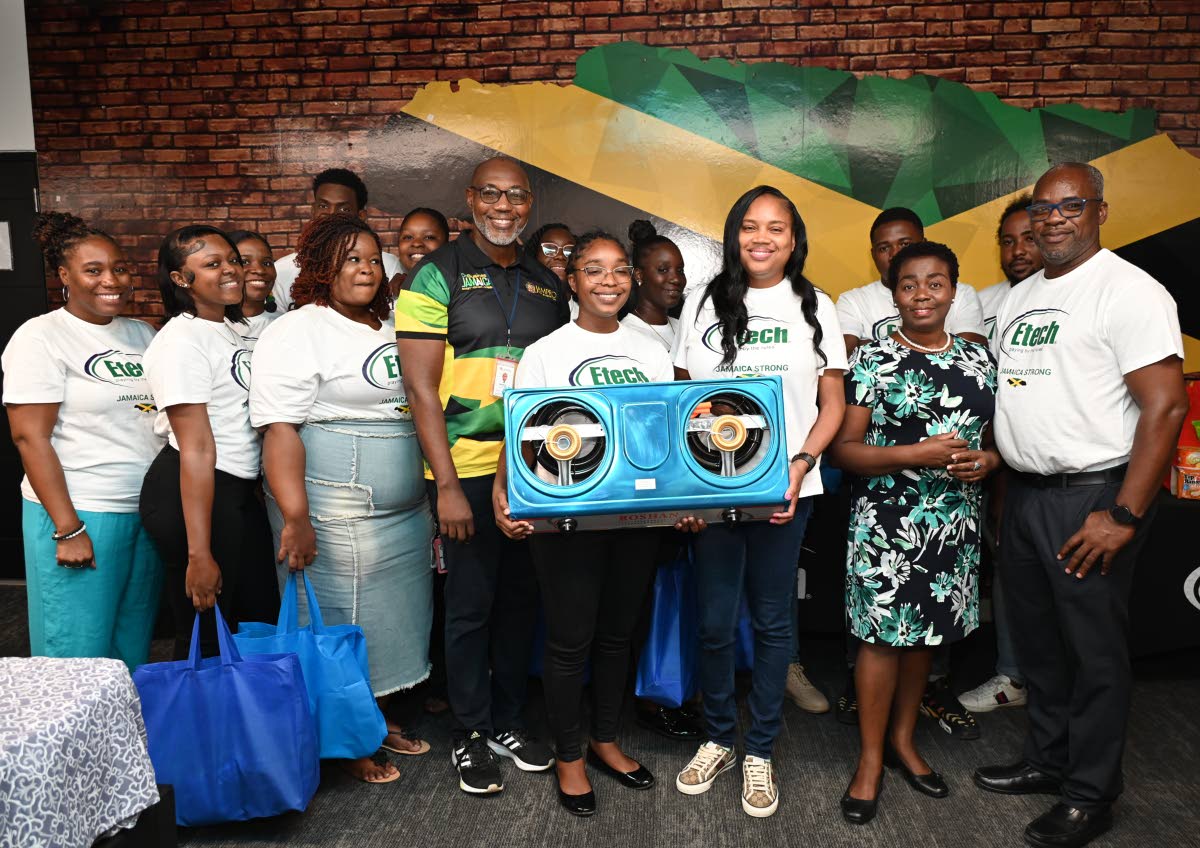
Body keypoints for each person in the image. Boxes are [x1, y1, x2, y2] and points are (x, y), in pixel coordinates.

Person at [975, 163, 1187, 848]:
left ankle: (1091, 794)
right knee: (1039, 649)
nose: (1055, 218)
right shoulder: (1021, 296)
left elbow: (1166, 405)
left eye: (1071, 206)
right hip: (1030, 494)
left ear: (1101, 211)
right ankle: (1049, 761)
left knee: (1093, 655)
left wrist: (1123, 514)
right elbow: (1028, 397)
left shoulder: (1128, 291)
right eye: (1044, 208)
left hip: (1094, 496)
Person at [493, 231, 704, 816]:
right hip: (567, 520)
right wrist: (502, 492)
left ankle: (605, 740)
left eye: (617, 271)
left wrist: (686, 498)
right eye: (593, 270)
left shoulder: (650, 351)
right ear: (573, 280)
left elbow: (668, 435)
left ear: (630, 279)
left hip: (635, 519)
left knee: (618, 635)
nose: (607, 281)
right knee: (569, 641)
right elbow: (522, 436)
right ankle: (568, 756)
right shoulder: (546, 352)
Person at [672, 185, 847, 818]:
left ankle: (760, 750)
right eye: (751, 226)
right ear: (734, 234)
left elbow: (832, 406)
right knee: (715, 622)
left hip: (787, 489)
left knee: (774, 622)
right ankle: (719, 737)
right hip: (716, 491)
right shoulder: (702, 304)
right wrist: (690, 488)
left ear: (794, 238)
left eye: (776, 227)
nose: (763, 238)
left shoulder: (816, 306)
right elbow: (685, 404)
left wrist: (799, 467)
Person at [395, 156, 568, 795]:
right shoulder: (434, 276)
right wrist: (444, 486)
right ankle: (470, 730)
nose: (504, 206)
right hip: (462, 473)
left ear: (530, 202)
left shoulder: (548, 282)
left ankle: (508, 719)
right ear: (471, 200)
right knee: (470, 605)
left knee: (522, 600)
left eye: (516, 195)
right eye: (491, 194)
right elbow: (418, 387)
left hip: (534, 473)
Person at [251, 212, 432, 784]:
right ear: (322, 267)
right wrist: (296, 518)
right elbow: (278, 428)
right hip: (333, 505)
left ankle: (374, 717)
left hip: (403, 511)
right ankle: (345, 740)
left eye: (374, 259)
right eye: (351, 259)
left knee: (390, 622)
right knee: (336, 622)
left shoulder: (392, 322)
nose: (366, 269)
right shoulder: (299, 329)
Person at [829, 240, 999, 825]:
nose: (922, 293)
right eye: (909, 284)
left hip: (952, 523)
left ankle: (904, 741)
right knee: (882, 640)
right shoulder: (872, 359)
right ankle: (871, 759)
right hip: (888, 523)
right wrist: (918, 454)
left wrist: (990, 462)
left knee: (927, 638)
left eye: (935, 282)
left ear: (955, 289)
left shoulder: (981, 361)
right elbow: (846, 451)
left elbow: (998, 441)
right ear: (893, 293)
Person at [2, 212, 164, 669]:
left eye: (120, 268)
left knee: (130, 649)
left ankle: (121, 742)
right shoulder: (41, 337)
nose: (110, 280)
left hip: (142, 512)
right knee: (74, 657)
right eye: (93, 270)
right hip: (81, 513)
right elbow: (29, 436)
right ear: (64, 276)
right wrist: (68, 528)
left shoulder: (141, 334)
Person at [139, 225, 278, 659]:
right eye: (212, 264)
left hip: (234, 491)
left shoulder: (229, 327)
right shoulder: (180, 341)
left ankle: (247, 722)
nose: (232, 271)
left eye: (232, 260)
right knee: (204, 631)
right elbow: (196, 448)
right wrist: (199, 554)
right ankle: (199, 725)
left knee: (253, 617)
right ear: (182, 279)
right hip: (194, 490)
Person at [959, 195, 1043, 715]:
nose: (1017, 250)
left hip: (1040, 460)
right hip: (988, 456)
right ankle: (1013, 674)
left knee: (1044, 575)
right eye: (1008, 241)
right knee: (1007, 566)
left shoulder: (1070, 298)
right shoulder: (984, 301)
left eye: (1028, 238)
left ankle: (1043, 681)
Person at [271, 168, 403, 312]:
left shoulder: (388, 266)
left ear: (361, 216)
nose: (331, 215)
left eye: (344, 209)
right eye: (323, 206)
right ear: (313, 211)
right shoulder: (282, 269)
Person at [229, 229, 279, 345]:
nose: (260, 270)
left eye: (267, 263)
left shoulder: (286, 325)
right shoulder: (208, 325)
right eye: (245, 262)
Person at [389, 207, 450, 298]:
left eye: (429, 237)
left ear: (446, 245)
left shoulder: (458, 288)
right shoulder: (390, 292)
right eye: (408, 237)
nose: (417, 243)